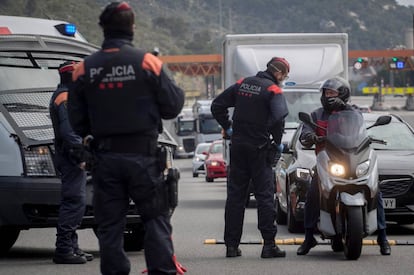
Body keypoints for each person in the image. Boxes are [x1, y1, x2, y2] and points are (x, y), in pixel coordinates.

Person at [67, 2, 185, 274]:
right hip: (143, 157)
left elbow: (77, 121)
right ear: (132, 27)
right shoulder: (147, 62)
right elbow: (173, 106)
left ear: (102, 28)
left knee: (110, 225)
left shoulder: (84, 69)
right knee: (155, 217)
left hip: (105, 159)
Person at [296, 76, 391, 256]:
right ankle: (309, 238)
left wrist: (345, 107)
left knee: (375, 192)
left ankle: (383, 238)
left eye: (332, 93)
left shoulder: (353, 112)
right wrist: (309, 137)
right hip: (327, 160)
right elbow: (305, 132)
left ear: (343, 94)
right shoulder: (317, 114)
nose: (328, 96)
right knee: (313, 193)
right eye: (326, 93)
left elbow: (360, 130)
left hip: (353, 159)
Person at [211, 57, 290, 258]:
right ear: (279, 73)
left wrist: (228, 127)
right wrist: (277, 141)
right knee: (264, 195)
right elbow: (279, 117)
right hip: (259, 149)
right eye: (284, 76)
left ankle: (231, 246)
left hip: (238, 147)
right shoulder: (273, 90)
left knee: (236, 196)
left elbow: (217, 105)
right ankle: (269, 245)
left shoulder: (242, 84)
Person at [49, 61, 93, 264]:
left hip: (68, 155)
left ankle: (73, 247)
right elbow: (70, 132)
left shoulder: (65, 94)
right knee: (73, 202)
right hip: (70, 157)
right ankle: (64, 249)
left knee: (75, 201)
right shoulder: (65, 97)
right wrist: (81, 156)